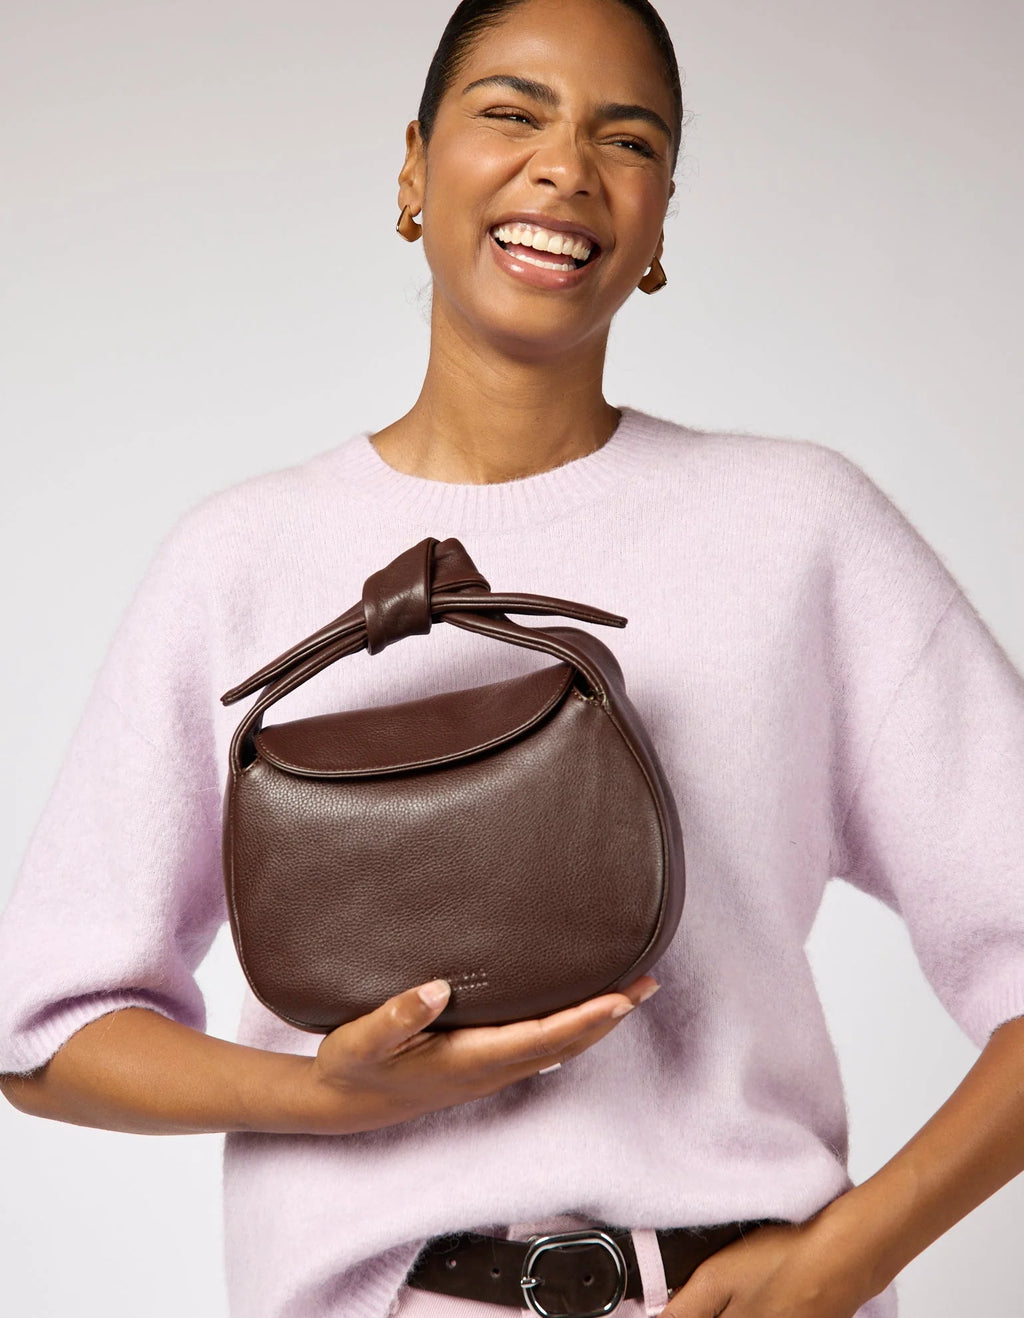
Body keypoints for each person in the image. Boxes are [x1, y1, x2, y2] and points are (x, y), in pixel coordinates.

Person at [2, 0, 1023, 1315]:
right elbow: (44, 1030)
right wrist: (322, 1092)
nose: (564, 166)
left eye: (628, 137)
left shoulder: (802, 529)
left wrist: (848, 1256)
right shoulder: (237, 558)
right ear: (414, 169)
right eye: (511, 112)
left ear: (656, 224)